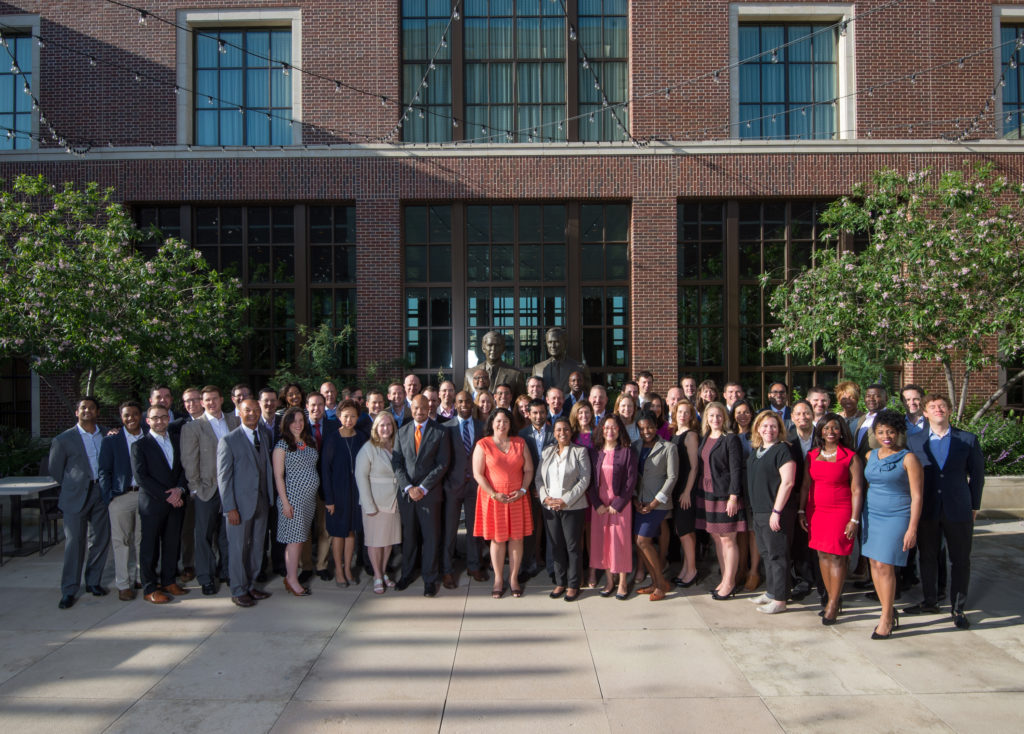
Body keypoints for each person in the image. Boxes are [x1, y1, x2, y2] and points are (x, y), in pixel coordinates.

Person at [905, 395, 985, 629]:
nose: (938, 409)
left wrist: (974, 506)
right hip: (927, 508)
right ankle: (930, 600)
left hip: (958, 508)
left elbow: (977, 476)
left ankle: (958, 607)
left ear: (949, 411)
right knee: (927, 557)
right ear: (925, 413)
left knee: (960, 560)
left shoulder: (968, 439)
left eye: (942, 406)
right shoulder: (914, 441)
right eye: (932, 407)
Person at [862, 410, 923, 639]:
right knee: (874, 564)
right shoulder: (870, 456)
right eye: (880, 432)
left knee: (886, 565)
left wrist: (912, 528)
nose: (885, 436)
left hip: (897, 516)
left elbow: (917, 496)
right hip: (872, 514)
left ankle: (886, 617)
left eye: (890, 431)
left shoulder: (909, 458)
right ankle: (886, 608)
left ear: (898, 433)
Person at [799, 412, 863, 624]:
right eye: (826, 428)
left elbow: (857, 490)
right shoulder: (812, 455)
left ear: (841, 431)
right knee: (822, 556)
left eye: (835, 428)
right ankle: (830, 597)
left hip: (840, 511)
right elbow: (806, 485)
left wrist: (854, 519)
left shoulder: (850, 456)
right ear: (820, 431)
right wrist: (801, 511)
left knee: (836, 556)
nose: (830, 432)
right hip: (817, 511)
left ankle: (833, 603)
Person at [49, 396, 111, 609]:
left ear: (97, 412)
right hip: (75, 496)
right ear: (77, 412)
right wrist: (73, 485)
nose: (87, 411)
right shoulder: (63, 439)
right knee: (74, 543)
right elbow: (56, 470)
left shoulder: (107, 434)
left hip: (100, 493)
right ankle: (69, 589)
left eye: (92, 407)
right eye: (83, 408)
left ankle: (93, 582)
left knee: (100, 540)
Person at [216, 398, 275, 608]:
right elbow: (224, 478)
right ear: (238, 413)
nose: (252, 413)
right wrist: (230, 507)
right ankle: (238, 589)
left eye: (255, 410)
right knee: (239, 548)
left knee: (258, 546)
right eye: (247, 410)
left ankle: (250, 585)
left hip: (262, 501)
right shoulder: (229, 440)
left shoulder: (264, 435)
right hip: (239, 506)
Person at [181, 385, 239, 596]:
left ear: (222, 399)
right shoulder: (194, 427)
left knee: (227, 534)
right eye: (207, 400)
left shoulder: (234, 422)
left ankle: (228, 572)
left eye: (215, 399)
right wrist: (195, 489)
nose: (211, 403)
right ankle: (206, 578)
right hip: (207, 489)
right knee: (204, 535)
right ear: (202, 403)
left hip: (230, 488)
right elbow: (189, 461)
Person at [392, 394, 451, 597]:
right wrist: (409, 487)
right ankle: (406, 574)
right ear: (412, 408)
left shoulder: (440, 432)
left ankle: (430, 579)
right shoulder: (401, 432)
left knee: (431, 538)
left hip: (430, 495)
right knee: (409, 538)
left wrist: (423, 488)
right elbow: (397, 463)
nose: (419, 411)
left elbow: (442, 464)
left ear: (429, 408)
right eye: (416, 408)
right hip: (408, 495)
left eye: (423, 408)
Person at [474, 407, 534, 598]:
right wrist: (493, 493)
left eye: (506, 421)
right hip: (494, 499)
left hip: (517, 497)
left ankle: (514, 578)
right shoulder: (483, 444)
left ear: (511, 424)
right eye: (498, 421)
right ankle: (499, 579)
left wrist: (523, 490)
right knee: (498, 539)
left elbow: (529, 470)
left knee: (516, 539)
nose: (502, 424)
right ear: (492, 423)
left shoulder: (520, 443)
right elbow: (478, 474)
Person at [131, 405, 189, 604]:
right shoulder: (140, 446)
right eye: (155, 418)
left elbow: (184, 468)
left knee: (172, 544)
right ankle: (149, 587)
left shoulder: (176, 440)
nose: (160, 421)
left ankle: (169, 581)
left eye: (164, 417)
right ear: (147, 421)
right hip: (153, 504)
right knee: (150, 547)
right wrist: (167, 496)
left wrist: (179, 489)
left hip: (177, 501)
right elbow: (142, 478)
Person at [746, 412, 798, 614]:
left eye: (774, 426)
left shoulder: (783, 450)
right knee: (767, 554)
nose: (769, 430)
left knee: (778, 555)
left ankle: (780, 599)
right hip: (759, 511)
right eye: (765, 426)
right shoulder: (757, 450)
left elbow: (788, 482)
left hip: (775, 511)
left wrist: (776, 511)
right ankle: (772, 591)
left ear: (780, 429)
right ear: (758, 428)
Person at [536, 416, 591, 602]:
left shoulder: (580, 452)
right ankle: (560, 582)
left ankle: (573, 584)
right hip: (550, 507)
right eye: (558, 430)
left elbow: (584, 479)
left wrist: (565, 500)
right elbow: (539, 479)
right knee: (556, 545)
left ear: (571, 431)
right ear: (554, 433)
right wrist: (545, 498)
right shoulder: (547, 452)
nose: (562, 433)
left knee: (572, 547)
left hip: (572, 507)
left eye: (566, 429)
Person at [695, 401, 746, 600]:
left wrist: (733, 497)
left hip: (725, 495)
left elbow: (736, 470)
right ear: (706, 418)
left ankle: (730, 582)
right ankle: (724, 579)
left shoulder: (730, 439)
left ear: (724, 417)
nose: (715, 419)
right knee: (716, 537)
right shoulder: (706, 437)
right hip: (707, 492)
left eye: (719, 416)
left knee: (728, 538)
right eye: (711, 416)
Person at [98, 401, 145, 601]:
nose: (131, 418)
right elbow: (104, 471)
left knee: (142, 539)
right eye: (127, 415)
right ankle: (123, 584)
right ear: (121, 417)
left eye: (135, 414)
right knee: (121, 542)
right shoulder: (111, 441)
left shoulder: (149, 437)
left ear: (141, 416)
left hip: (145, 495)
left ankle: (142, 577)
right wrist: (109, 497)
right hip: (121, 496)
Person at [441, 391, 488, 588]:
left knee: (474, 529)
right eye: (460, 401)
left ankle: (474, 565)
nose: (465, 404)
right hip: (452, 486)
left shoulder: (481, 426)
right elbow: (443, 459)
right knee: (450, 531)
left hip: (474, 487)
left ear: (473, 403)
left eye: (468, 401)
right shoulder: (446, 428)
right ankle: (447, 570)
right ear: (455, 404)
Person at [273, 406, 320, 597]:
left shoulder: (309, 442)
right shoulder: (282, 445)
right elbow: (278, 476)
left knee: (301, 539)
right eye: (294, 421)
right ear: (287, 423)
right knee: (294, 540)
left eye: (301, 420)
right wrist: (285, 503)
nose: (298, 424)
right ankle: (292, 579)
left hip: (309, 500)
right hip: (293, 499)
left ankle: (291, 576)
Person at [589, 415, 637, 600]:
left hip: (620, 505)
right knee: (603, 542)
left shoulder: (627, 452)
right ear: (602, 429)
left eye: (614, 427)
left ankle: (623, 582)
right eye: (607, 427)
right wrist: (597, 504)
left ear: (619, 430)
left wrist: (618, 504)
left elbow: (630, 482)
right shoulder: (595, 452)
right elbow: (590, 481)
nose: (610, 431)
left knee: (619, 542)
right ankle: (609, 581)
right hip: (600, 505)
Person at [354, 412, 403, 595]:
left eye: (389, 425)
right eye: (381, 425)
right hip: (375, 503)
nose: (385, 428)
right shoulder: (368, 448)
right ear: (375, 428)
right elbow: (361, 476)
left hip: (393, 502)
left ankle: (383, 573)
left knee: (388, 542)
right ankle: (376, 575)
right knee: (375, 542)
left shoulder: (396, 446)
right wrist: (368, 505)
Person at [632, 413, 678, 601]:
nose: (646, 431)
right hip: (640, 503)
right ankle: (655, 582)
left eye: (649, 427)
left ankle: (661, 584)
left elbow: (672, 477)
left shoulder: (669, 448)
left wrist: (655, 502)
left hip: (658, 504)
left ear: (656, 426)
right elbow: (633, 476)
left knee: (643, 541)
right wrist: (635, 499)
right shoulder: (635, 447)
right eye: (642, 428)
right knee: (640, 543)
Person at [320, 400, 366, 587]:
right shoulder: (332, 439)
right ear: (339, 417)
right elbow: (325, 470)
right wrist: (329, 499)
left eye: (353, 416)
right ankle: (338, 570)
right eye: (345, 416)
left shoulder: (362, 437)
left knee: (351, 532)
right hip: (337, 495)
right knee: (338, 533)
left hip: (356, 493)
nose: (349, 419)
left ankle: (348, 568)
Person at [301, 392, 338, 582]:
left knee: (326, 528)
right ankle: (306, 566)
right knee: (305, 528)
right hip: (304, 485)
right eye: (313, 405)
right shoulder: (298, 426)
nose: (317, 409)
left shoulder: (334, 426)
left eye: (320, 405)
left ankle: (322, 565)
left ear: (326, 406)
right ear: (306, 406)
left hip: (327, 484)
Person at [519, 398, 554, 580]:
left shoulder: (556, 433)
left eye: (542, 412)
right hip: (530, 490)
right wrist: (532, 487)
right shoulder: (522, 435)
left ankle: (553, 568)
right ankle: (528, 565)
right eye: (535, 413)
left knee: (552, 530)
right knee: (530, 531)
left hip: (551, 491)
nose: (539, 416)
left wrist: (546, 490)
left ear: (546, 413)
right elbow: (520, 466)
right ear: (528, 414)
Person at [670, 400, 700, 588]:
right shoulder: (675, 434)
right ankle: (685, 568)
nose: (682, 415)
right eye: (679, 411)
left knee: (685, 532)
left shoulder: (691, 436)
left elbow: (695, 467)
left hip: (685, 489)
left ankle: (692, 570)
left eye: (686, 412)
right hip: (676, 487)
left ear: (691, 415)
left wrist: (688, 491)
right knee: (682, 530)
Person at [465, 330, 525, 397]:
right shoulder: (470, 374)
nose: (493, 349)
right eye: (490, 345)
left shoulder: (515, 374)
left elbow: (521, 402)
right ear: (483, 348)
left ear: (503, 348)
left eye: (497, 345)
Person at [532, 327, 591, 394]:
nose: (553, 346)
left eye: (556, 342)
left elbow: (587, 395)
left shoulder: (580, 368)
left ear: (565, 343)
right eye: (549, 342)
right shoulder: (538, 369)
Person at [854, 384, 888, 456]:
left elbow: (899, 446)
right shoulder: (862, 419)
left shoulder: (891, 419)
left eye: (877, 396)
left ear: (886, 398)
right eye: (868, 396)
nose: (871, 399)